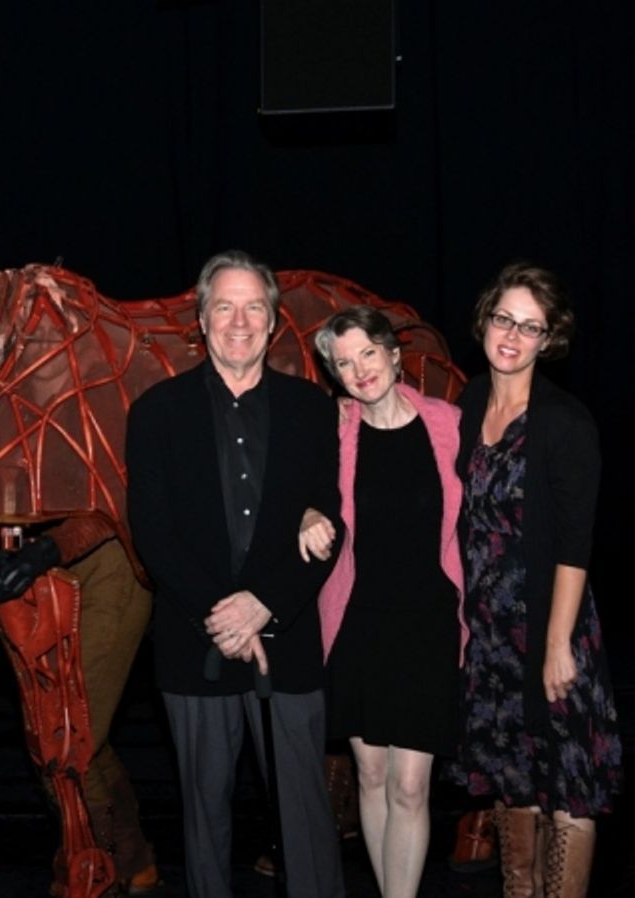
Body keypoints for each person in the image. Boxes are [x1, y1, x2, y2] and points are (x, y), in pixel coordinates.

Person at [125, 250, 345, 898]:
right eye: (225, 305)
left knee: (306, 818)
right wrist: (225, 614)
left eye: (254, 306)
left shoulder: (314, 410)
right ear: (201, 318)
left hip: (290, 646)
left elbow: (329, 525)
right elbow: (154, 535)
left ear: (274, 322)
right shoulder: (156, 413)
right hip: (196, 652)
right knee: (204, 822)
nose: (240, 320)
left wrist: (264, 607)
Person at [447, 263, 622, 898]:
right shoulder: (468, 404)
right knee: (511, 776)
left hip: (551, 624)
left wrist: (556, 644)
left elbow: (576, 546)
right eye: (504, 319)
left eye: (530, 326)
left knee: (567, 781)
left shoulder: (565, 423)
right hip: (489, 633)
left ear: (549, 339)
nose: (513, 335)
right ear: (485, 319)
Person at [302, 306, 468, 898]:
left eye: (367, 353)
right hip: (355, 623)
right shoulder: (333, 433)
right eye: (343, 362)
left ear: (394, 355)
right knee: (369, 776)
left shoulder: (449, 424)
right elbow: (304, 495)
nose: (358, 369)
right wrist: (308, 513)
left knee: (409, 787)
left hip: (427, 625)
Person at [0, 520, 161, 894]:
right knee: (62, 731)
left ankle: (98, 861)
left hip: (107, 554)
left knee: (69, 734)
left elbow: (115, 492)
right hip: (29, 561)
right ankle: (130, 858)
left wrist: (46, 549)